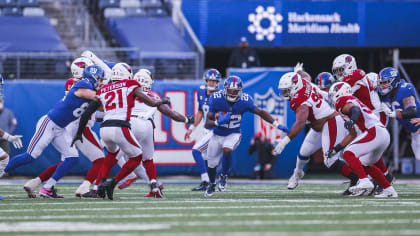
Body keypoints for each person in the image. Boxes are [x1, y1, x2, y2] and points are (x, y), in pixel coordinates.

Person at [0, 66, 105, 199]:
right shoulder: (84, 84)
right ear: (94, 77)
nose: (101, 82)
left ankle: (47, 188)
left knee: (72, 159)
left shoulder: (91, 88)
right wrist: (107, 92)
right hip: (49, 124)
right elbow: (93, 96)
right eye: (100, 79)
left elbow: (101, 105)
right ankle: (1, 171)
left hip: (61, 128)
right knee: (31, 156)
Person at [72, 63, 171, 200]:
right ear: (127, 75)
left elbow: (88, 112)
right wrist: (164, 100)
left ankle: (99, 186)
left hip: (104, 129)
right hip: (120, 126)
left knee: (111, 156)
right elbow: (152, 102)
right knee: (137, 157)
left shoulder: (103, 89)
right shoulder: (130, 84)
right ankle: (112, 183)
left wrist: (79, 132)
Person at [274, 71, 361, 195]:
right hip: (319, 125)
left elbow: (300, 123)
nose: (284, 93)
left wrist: (285, 141)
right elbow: (306, 76)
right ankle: (297, 174)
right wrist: (299, 72)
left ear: (295, 87)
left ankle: (357, 180)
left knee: (330, 160)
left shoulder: (300, 101)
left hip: (330, 122)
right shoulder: (302, 82)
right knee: (303, 153)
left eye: (287, 90)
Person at [112, 68, 194, 198]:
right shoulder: (154, 96)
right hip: (148, 126)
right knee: (147, 160)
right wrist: (186, 119)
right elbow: (171, 113)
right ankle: (154, 186)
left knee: (114, 155)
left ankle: (103, 184)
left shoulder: (127, 92)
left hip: (130, 124)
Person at [204, 75, 288, 197]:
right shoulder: (216, 99)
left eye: (235, 91)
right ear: (224, 89)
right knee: (211, 164)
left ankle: (224, 175)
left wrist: (276, 124)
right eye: (230, 90)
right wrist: (218, 122)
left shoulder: (245, 100)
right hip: (217, 134)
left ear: (240, 91)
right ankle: (211, 184)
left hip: (234, 133)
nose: (232, 94)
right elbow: (207, 124)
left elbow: (260, 112)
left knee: (227, 149)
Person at [332, 54, 394, 186]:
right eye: (337, 71)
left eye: (341, 70)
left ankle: (370, 180)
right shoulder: (356, 76)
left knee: (363, 152)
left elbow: (336, 92)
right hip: (370, 116)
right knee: (368, 152)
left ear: (350, 67)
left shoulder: (354, 76)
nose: (339, 73)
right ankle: (383, 177)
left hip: (376, 116)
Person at [328, 82, 397, 197]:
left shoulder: (344, 100)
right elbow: (352, 134)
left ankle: (364, 181)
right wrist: (336, 148)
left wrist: (353, 120)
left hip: (374, 132)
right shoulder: (352, 101)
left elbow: (355, 110)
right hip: (382, 134)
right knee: (364, 163)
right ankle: (389, 190)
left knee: (348, 154)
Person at [184, 68, 221, 191]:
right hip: (207, 130)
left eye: (214, 81)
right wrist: (191, 128)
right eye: (210, 80)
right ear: (206, 81)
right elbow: (200, 112)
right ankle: (209, 182)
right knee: (206, 157)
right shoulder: (200, 91)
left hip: (216, 130)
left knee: (197, 151)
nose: (211, 83)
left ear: (218, 83)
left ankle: (207, 181)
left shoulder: (220, 95)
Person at [379, 67, 420, 161]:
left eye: (385, 82)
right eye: (381, 83)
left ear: (394, 81)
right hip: (414, 131)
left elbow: (412, 111)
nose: (382, 85)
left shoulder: (404, 89)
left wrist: (394, 114)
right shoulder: (383, 94)